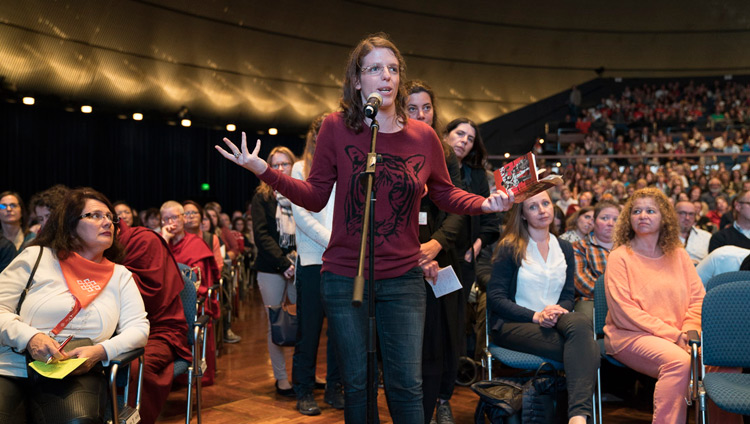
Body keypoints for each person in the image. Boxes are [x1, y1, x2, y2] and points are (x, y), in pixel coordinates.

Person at [216, 33, 513, 424]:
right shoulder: (336, 128)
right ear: (357, 80)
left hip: (405, 277)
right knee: (357, 384)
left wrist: (483, 203)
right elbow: (316, 195)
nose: (386, 76)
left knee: (406, 384)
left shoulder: (423, 137)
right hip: (344, 275)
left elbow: (444, 193)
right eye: (375, 68)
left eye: (392, 69)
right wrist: (264, 171)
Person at [0, 187, 149, 422]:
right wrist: (29, 338)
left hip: (76, 369)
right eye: (95, 215)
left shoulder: (120, 275)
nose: (107, 222)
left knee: (78, 420)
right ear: (70, 225)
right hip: (12, 364)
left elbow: (139, 329)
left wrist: (100, 352)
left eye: (110, 217)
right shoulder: (37, 257)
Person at [603, 187, 742, 424]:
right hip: (630, 335)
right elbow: (623, 311)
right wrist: (674, 335)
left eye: (650, 210)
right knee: (678, 363)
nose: (643, 215)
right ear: (629, 218)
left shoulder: (678, 254)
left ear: (663, 217)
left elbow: (698, 300)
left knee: (724, 361)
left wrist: (688, 332)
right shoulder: (619, 256)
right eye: (636, 211)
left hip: (681, 334)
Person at [487, 190, 598, 424]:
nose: (542, 210)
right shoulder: (510, 247)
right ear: (523, 214)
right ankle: (579, 417)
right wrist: (536, 316)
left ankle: (576, 416)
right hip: (514, 323)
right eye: (533, 206)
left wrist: (556, 310)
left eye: (545, 203)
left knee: (580, 322)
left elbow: (569, 296)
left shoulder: (565, 248)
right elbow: (496, 298)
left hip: (556, 319)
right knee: (587, 350)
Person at [404, 82, 469, 424]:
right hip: (404, 258)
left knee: (446, 335)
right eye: (412, 108)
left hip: (442, 258)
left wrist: (436, 244)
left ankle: (440, 400)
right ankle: (417, 409)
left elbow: (457, 207)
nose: (420, 114)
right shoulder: (394, 145)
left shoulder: (444, 152)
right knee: (416, 341)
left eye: (426, 107)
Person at [290, 114, 345, 415]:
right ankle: (304, 391)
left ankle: (335, 389)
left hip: (341, 261)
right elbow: (302, 217)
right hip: (313, 260)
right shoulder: (301, 168)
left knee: (340, 331)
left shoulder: (345, 165)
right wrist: (335, 240)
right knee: (308, 331)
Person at [118, 220, 191, 424]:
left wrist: (109, 272)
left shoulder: (143, 240)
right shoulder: (87, 248)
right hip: (112, 331)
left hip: (160, 329)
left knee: (136, 367)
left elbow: (154, 293)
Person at [251, 146, 299, 398]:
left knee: (306, 323)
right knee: (276, 325)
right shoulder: (262, 196)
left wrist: (296, 263)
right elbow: (261, 235)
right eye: (275, 164)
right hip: (271, 267)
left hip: (301, 266)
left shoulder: (302, 192)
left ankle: (304, 374)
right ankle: (282, 379)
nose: (280, 169)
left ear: (294, 165)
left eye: (285, 164)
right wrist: (284, 264)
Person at [160, 200, 220, 385]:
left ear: (183, 219)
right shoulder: (161, 243)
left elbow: (200, 282)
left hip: (192, 303)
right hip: (165, 302)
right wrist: (164, 240)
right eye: (166, 218)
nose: (172, 222)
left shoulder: (196, 244)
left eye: (175, 217)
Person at [572, 201, 619, 318]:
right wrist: (612, 295)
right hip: (591, 300)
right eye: (604, 218)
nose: (610, 223)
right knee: (584, 319)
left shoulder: (628, 248)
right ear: (593, 222)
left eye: (616, 219)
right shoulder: (580, 247)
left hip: (625, 300)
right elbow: (581, 281)